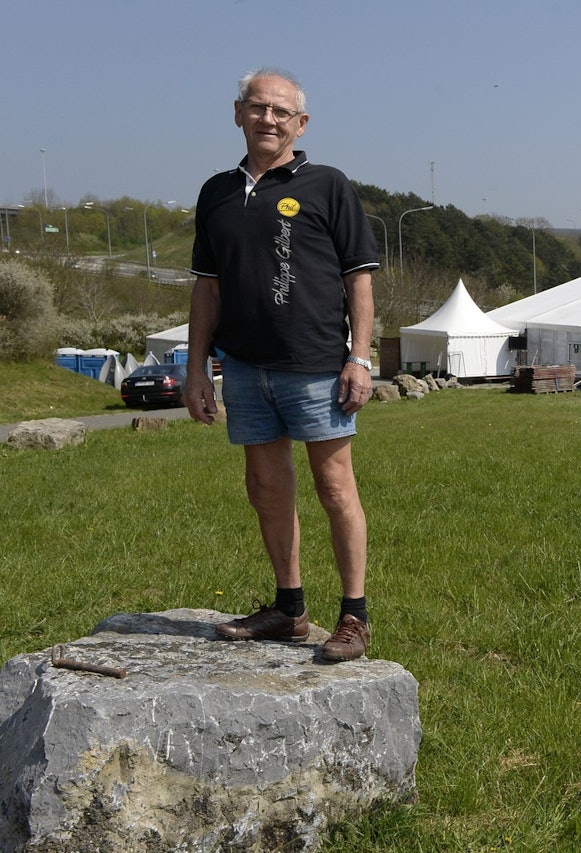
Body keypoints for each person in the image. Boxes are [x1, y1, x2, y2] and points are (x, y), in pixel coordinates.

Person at [183, 68, 379, 662]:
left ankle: (354, 616)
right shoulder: (216, 192)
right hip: (244, 367)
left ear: (301, 123)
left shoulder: (327, 185)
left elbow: (359, 279)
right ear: (238, 112)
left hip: (317, 365)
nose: (268, 120)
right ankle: (290, 610)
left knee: (334, 487)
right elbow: (206, 289)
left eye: (281, 112)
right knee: (266, 488)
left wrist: (360, 358)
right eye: (257, 108)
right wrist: (197, 369)